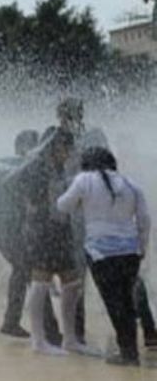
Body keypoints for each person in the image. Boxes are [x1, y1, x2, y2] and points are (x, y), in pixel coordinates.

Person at [7, 127, 98, 356]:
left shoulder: (57, 166)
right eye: (67, 149)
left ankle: (70, 339)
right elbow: (10, 183)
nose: (70, 154)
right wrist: (32, 206)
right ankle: (38, 340)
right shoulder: (37, 166)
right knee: (41, 281)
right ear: (56, 147)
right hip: (41, 231)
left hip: (61, 228)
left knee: (72, 281)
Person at [56, 146, 151, 366]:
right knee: (126, 301)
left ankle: (128, 353)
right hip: (130, 252)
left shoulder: (84, 179)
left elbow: (63, 205)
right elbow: (144, 220)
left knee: (113, 302)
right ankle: (129, 349)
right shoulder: (130, 184)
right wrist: (142, 247)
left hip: (100, 253)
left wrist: (80, 200)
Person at [0, 129, 48, 339]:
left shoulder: (1, 162)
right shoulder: (27, 164)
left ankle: (17, 321)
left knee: (22, 268)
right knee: (24, 267)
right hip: (10, 221)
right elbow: (28, 195)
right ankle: (19, 322)